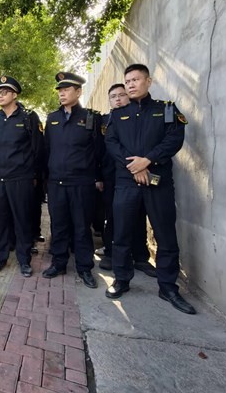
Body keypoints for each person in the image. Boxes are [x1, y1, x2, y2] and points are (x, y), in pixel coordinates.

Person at [104, 64, 195, 315]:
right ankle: (121, 279)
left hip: (158, 182)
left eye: (136, 79)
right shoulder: (118, 115)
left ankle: (168, 287)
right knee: (122, 233)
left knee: (165, 235)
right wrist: (135, 167)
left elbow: (174, 139)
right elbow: (112, 143)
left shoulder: (165, 110)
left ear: (148, 81)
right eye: (127, 81)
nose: (131, 85)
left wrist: (148, 160)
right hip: (126, 183)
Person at [42, 72, 104, 289]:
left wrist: (97, 177)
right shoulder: (52, 119)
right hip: (57, 182)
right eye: (60, 90)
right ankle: (58, 263)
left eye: (66, 90)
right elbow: (46, 149)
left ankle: (84, 267)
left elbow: (99, 151)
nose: (62, 94)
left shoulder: (91, 118)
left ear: (78, 92)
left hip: (81, 183)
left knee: (81, 227)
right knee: (58, 225)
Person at [0, 76, 44, 276]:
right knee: (0, 222)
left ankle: (24, 260)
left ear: (15, 94)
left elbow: (37, 149)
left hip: (20, 179)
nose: (0, 96)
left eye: (5, 92)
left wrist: (32, 174)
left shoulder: (28, 117)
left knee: (22, 221)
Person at [99, 84, 155, 276]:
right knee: (112, 216)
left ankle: (140, 256)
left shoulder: (138, 117)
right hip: (111, 175)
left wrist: (138, 166)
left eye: (122, 95)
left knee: (139, 215)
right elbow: (97, 149)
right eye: (113, 96)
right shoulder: (103, 120)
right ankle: (110, 253)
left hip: (137, 172)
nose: (118, 99)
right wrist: (98, 176)